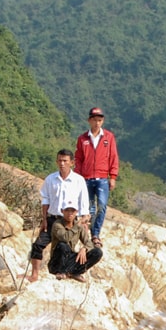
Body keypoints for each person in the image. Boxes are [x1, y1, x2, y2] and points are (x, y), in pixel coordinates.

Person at [27, 149, 89, 282]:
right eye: (60, 160)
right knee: (38, 245)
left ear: (72, 162)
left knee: (66, 246)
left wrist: (83, 221)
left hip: (70, 221)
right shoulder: (51, 179)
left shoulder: (78, 181)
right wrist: (44, 219)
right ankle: (34, 274)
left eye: (65, 161)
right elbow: (46, 200)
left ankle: (70, 271)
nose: (62, 163)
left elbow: (83, 203)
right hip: (52, 219)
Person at [74, 106, 119, 245]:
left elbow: (113, 157)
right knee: (88, 207)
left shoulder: (108, 137)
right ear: (89, 121)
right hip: (86, 178)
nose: (97, 123)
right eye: (94, 120)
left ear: (103, 121)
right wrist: (77, 177)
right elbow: (78, 159)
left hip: (102, 179)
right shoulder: (82, 139)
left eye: (99, 120)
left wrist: (113, 176)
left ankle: (96, 233)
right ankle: (87, 233)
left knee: (102, 205)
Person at [47, 203, 103, 278]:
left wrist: (85, 248)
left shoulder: (78, 225)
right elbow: (65, 238)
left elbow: (88, 242)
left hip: (68, 260)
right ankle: (61, 272)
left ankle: (74, 272)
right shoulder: (57, 224)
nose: (70, 213)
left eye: (72, 211)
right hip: (57, 262)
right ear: (62, 211)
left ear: (76, 212)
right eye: (67, 210)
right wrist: (78, 225)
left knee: (97, 252)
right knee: (63, 245)